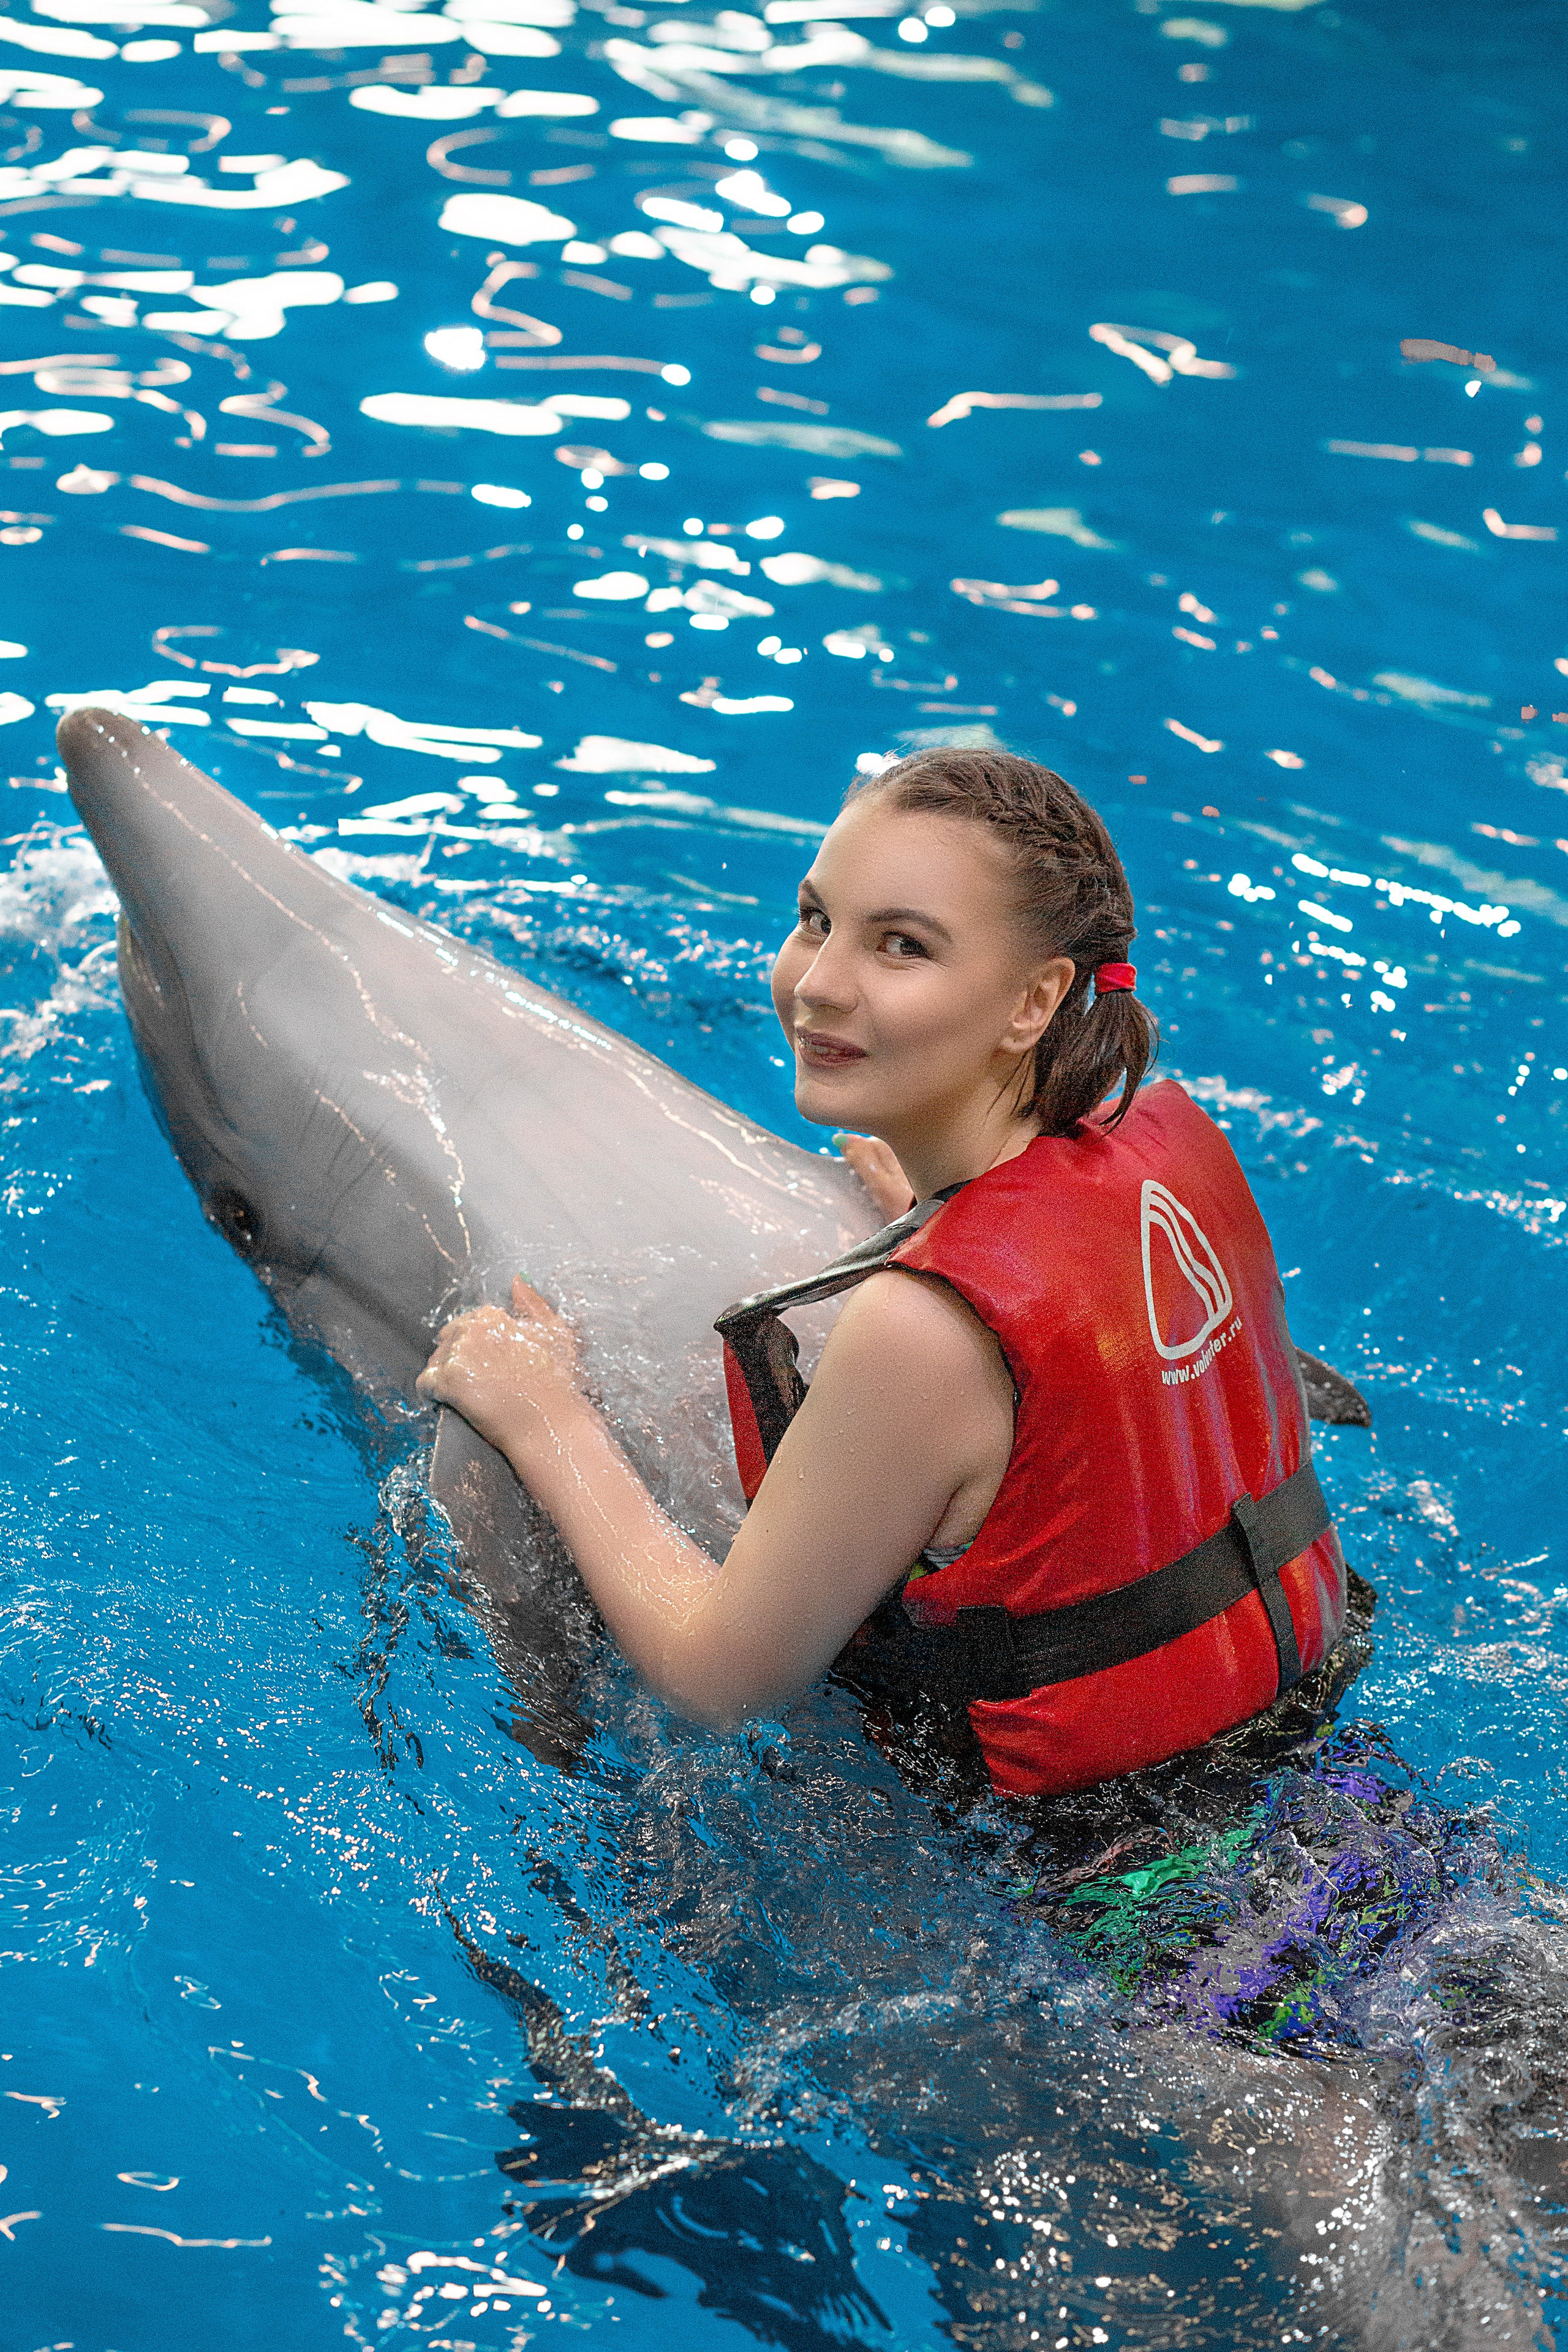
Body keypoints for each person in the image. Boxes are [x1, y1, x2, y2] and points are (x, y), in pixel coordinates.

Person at [417, 748, 1346, 1798]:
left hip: (1124, 1925)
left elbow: (718, 1678)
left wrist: (544, 1415)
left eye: (902, 946)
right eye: (816, 919)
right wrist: (931, 1211)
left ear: (1034, 1002)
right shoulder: (1163, 1141)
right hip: (1330, 1791)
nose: (817, 983)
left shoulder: (923, 1334)